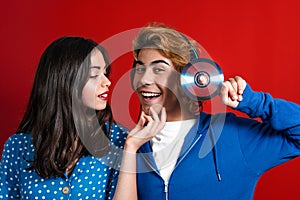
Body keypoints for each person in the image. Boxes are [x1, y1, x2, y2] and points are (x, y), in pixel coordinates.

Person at [124, 22, 300, 200]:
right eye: (140, 68)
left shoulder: (232, 135)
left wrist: (254, 102)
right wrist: (131, 147)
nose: (143, 79)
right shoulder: (130, 144)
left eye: (159, 69)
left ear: (190, 77)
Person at [0, 36, 166, 199]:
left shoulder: (118, 140)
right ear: (65, 80)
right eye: (94, 75)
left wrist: (130, 148)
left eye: (105, 73)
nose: (107, 82)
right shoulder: (17, 147)